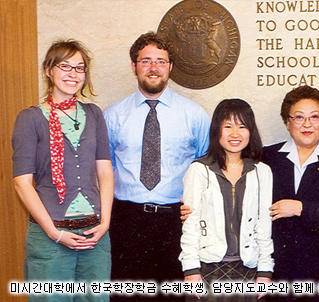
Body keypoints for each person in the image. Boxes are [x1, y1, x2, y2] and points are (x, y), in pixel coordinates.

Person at [104, 31, 211, 301]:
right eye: (146, 61)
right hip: (127, 220)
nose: (154, 68)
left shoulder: (193, 114)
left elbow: (204, 165)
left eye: (161, 61)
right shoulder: (113, 115)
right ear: (134, 66)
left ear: (170, 67)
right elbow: (105, 168)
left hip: (175, 221)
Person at [12, 40, 113, 302]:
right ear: (48, 70)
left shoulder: (94, 114)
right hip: (50, 236)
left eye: (80, 68)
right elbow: (22, 183)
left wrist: (105, 223)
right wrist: (54, 234)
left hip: (94, 234)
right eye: (64, 66)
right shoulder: (30, 118)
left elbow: (105, 171)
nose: (73, 73)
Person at [180, 98, 273, 302]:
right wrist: (191, 269)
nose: (235, 134)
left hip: (247, 270)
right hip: (207, 270)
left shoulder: (262, 172)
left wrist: (265, 271)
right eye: (228, 126)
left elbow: (264, 225)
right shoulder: (199, 170)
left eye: (242, 126)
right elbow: (191, 225)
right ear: (217, 130)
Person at [263, 85, 319, 301]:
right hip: (276, 270)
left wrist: (301, 208)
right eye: (299, 117)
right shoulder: (267, 157)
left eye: (315, 117)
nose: (307, 124)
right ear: (287, 121)